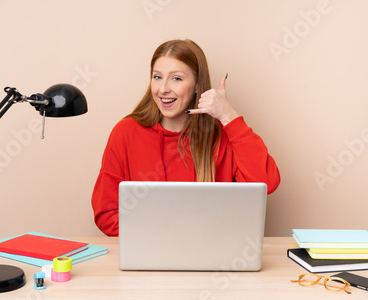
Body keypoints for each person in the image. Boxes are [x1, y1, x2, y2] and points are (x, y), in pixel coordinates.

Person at [91, 39, 280, 236]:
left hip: (211, 256)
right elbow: (107, 212)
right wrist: (165, 236)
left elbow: (266, 182)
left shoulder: (223, 135)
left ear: (197, 85)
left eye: (176, 79)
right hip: (149, 254)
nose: (163, 89)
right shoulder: (126, 133)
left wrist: (228, 115)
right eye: (157, 77)